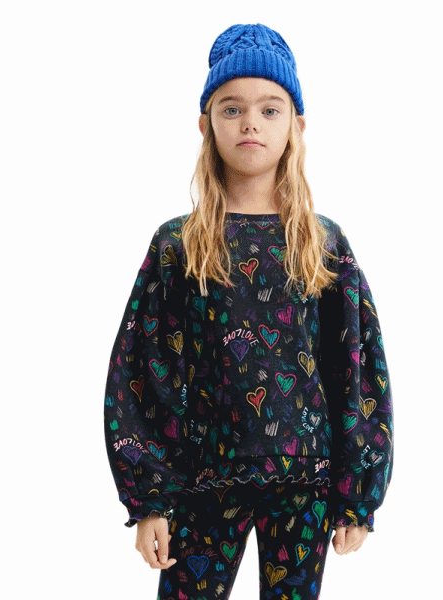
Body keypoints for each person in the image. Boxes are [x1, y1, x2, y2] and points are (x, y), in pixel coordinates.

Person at [103, 23, 394, 600]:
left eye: (270, 109)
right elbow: (141, 368)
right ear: (206, 123)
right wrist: (150, 498)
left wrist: (357, 494)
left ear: (296, 126)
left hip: (305, 482)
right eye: (232, 108)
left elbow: (357, 367)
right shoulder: (178, 245)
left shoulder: (323, 243)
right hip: (203, 479)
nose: (251, 123)